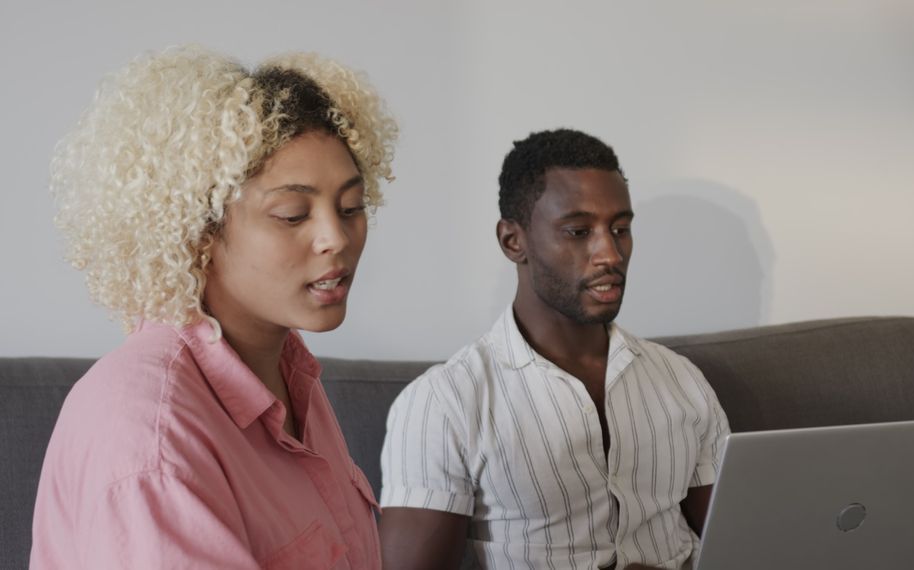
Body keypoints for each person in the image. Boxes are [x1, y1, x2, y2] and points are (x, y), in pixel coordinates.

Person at [31, 46, 396, 569]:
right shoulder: (151, 436)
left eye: (350, 207)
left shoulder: (285, 371)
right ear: (201, 231)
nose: (335, 237)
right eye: (293, 215)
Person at [379, 129, 729, 570]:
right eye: (579, 231)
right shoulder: (444, 403)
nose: (610, 254)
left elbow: (742, 542)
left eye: (620, 229)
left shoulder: (681, 380)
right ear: (513, 241)